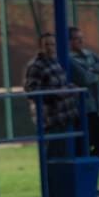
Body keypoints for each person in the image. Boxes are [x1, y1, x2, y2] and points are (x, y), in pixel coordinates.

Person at [24, 32, 80, 160]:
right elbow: (31, 91)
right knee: (52, 156)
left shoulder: (55, 62)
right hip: (50, 119)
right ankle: (50, 179)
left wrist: (72, 89)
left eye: (52, 44)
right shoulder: (36, 66)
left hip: (64, 117)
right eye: (46, 44)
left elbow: (62, 84)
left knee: (63, 155)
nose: (50, 47)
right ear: (40, 47)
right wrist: (57, 94)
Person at [68, 26, 99, 162]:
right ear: (68, 41)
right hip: (82, 110)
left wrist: (91, 69)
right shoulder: (68, 59)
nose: (81, 41)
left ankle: (91, 169)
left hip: (96, 108)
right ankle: (87, 172)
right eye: (76, 39)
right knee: (85, 146)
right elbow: (85, 78)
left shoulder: (88, 54)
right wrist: (95, 72)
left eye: (81, 38)